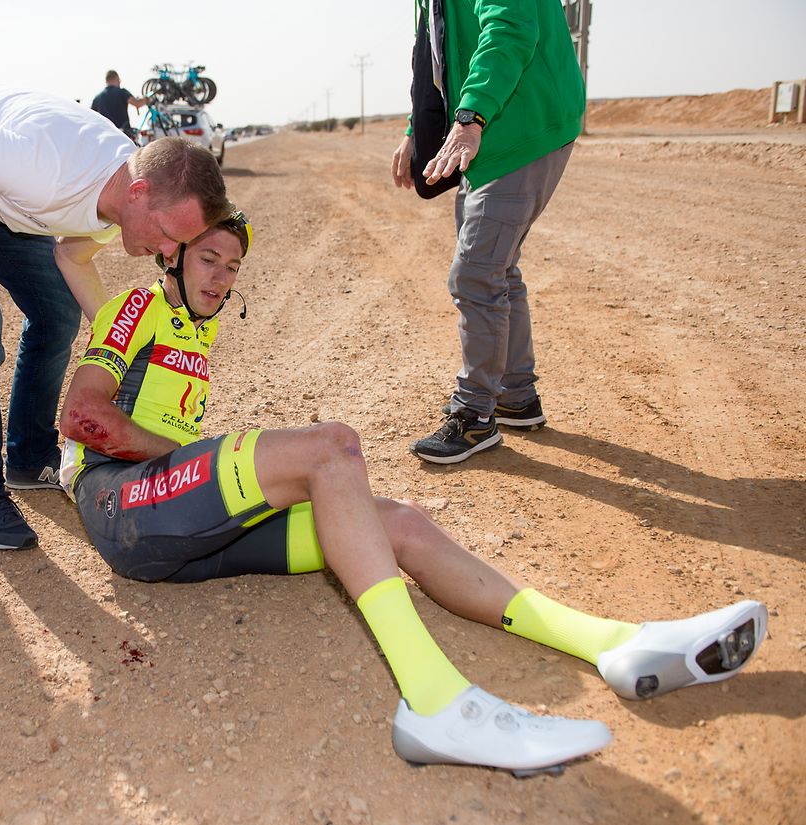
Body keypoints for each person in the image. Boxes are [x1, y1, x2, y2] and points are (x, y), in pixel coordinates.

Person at [57, 213, 768, 773]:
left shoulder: (198, 327)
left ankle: (614, 643)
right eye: (208, 258)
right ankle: (432, 701)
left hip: (179, 532)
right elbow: (83, 417)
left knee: (393, 522)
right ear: (170, 255)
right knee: (330, 448)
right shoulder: (136, 305)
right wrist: (198, 456)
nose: (221, 278)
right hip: (122, 504)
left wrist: (203, 464)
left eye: (233, 266)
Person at [0, 84, 229, 552]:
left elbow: (72, 259)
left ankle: (29, 458)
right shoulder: (47, 169)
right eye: (166, 234)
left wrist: (124, 347)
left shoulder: (124, 194)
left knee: (56, 313)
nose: (168, 253)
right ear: (138, 194)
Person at [389, 0, 585, 464]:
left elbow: (510, 29)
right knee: (496, 269)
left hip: (517, 124)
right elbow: (441, 53)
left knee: (476, 275)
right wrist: (417, 128)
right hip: (492, 130)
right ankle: (515, 397)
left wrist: (470, 118)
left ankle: (475, 416)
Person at [91, 70, 150, 141]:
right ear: (117, 79)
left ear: (106, 81)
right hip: (123, 135)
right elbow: (137, 103)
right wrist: (148, 99)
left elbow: (91, 118)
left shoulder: (97, 98)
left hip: (106, 137)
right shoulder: (122, 92)